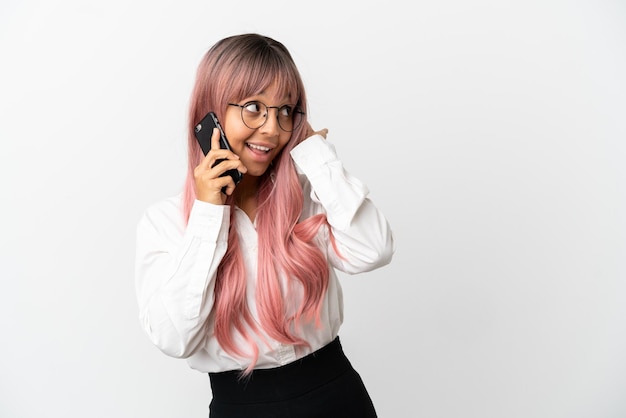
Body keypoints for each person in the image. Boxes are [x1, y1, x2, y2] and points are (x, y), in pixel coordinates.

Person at [134, 33, 395, 418]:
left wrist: (315, 155)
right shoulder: (165, 223)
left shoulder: (309, 198)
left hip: (336, 397)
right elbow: (175, 339)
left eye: (285, 110)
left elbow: (373, 251)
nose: (273, 129)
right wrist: (209, 213)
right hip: (242, 407)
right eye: (254, 107)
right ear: (211, 114)